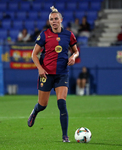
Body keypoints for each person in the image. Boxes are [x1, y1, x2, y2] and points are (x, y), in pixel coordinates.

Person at [27, 6, 79, 143]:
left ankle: (65, 136)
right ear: (49, 21)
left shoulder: (69, 35)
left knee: (62, 103)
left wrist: (73, 57)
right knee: (42, 105)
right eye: (51, 19)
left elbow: (76, 51)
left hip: (62, 74)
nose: (54, 21)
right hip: (46, 74)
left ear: (61, 20)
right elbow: (34, 54)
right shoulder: (44, 35)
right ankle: (35, 111)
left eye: (56, 19)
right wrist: (39, 68)